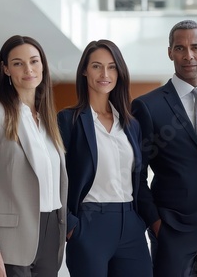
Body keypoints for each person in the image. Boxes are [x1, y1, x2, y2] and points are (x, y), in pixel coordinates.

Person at [131, 20, 197, 276]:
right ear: (170, 53)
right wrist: (156, 223)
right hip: (172, 229)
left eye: (195, 47)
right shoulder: (148, 106)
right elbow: (137, 173)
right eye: (180, 48)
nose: (188, 55)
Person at [0, 35, 68, 277]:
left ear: (43, 65)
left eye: (34, 61)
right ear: (6, 69)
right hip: (9, 239)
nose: (28, 69)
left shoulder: (48, 120)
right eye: (18, 63)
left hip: (51, 233)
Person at [57, 39, 153, 277]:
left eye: (111, 67)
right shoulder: (68, 121)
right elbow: (55, 178)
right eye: (97, 66)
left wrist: (145, 221)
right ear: (84, 70)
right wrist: (71, 226)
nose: (105, 74)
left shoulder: (131, 124)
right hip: (89, 224)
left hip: (130, 224)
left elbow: (139, 179)